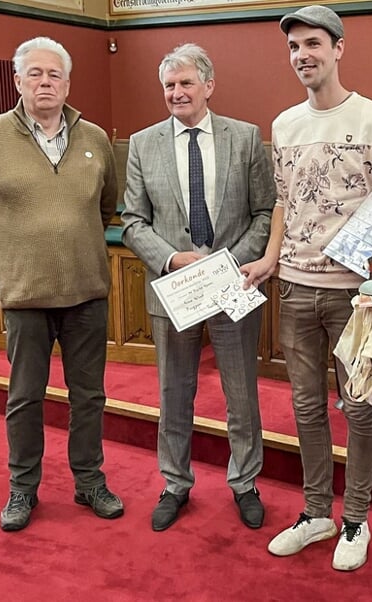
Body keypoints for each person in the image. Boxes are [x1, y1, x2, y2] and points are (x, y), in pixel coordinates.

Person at [239, 4, 372, 572]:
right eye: (294, 48)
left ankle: (356, 520)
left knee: (359, 407)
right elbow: (284, 202)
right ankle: (317, 513)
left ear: (338, 47)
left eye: (313, 44)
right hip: (294, 287)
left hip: (355, 294)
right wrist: (268, 259)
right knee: (307, 406)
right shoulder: (285, 124)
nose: (302, 56)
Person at [0, 36, 123, 532]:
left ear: (68, 83)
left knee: (89, 396)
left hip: (87, 294)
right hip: (25, 297)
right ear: (18, 81)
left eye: (54, 74)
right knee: (25, 397)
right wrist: (14, 254)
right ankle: (22, 490)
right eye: (34, 73)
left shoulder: (94, 138)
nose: (44, 82)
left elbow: (106, 205)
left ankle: (89, 481)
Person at [121, 43, 275, 532]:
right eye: (169, 85)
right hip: (174, 290)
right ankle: (174, 484)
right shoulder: (143, 144)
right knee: (174, 392)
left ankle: (245, 482)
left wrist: (233, 261)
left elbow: (265, 212)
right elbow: (132, 220)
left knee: (241, 394)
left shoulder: (246, 139)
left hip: (233, 285)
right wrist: (173, 258)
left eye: (186, 83)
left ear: (209, 86)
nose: (176, 93)